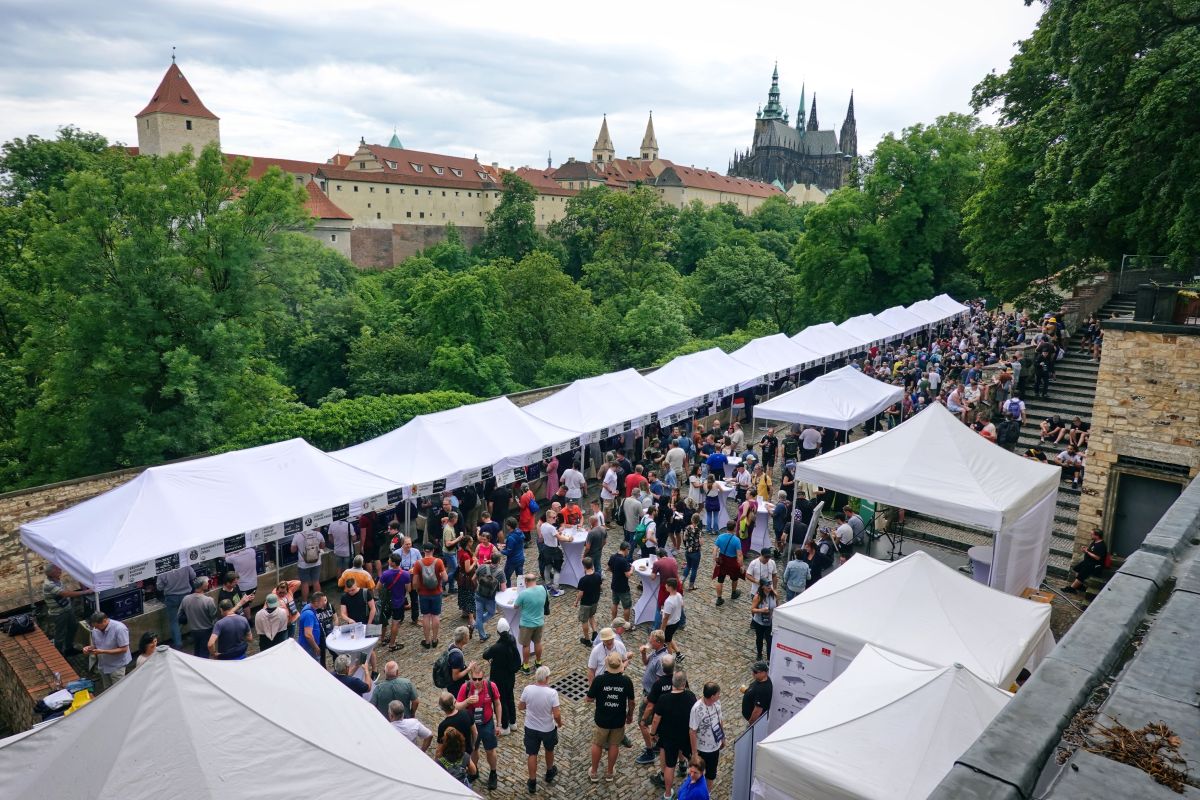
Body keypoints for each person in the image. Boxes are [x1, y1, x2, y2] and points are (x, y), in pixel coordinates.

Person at [587, 651, 635, 783]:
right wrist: (630, 715)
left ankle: (594, 772)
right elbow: (631, 702)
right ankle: (609, 773)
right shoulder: (626, 681)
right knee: (614, 745)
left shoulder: (599, 680)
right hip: (618, 719)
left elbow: (589, 698)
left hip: (602, 719)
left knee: (597, 744)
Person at [650, 669, 698, 799]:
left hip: (669, 737)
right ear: (684, 683)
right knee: (692, 761)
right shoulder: (691, 696)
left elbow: (656, 719)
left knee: (669, 766)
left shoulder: (664, 699)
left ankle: (667, 794)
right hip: (686, 735)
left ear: (673, 682)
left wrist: (652, 733)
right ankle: (691, 789)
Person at [457, 663, 503, 790]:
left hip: (487, 723)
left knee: (490, 750)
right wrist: (467, 701)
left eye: (479, 679)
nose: (476, 682)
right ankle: (474, 771)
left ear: (484, 678)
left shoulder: (490, 686)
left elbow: (498, 704)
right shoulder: (465, 687)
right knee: (473, 750)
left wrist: (498, 725)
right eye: (474, 679)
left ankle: (493, 773)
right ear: (471, 678)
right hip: (471, 725)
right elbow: (456, 706)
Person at [519, 665, 562, 795]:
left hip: (531, 727)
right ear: (547, 678)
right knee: (549, 749)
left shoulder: (528, 689)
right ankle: (549, 772)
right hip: (547, 729)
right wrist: (559, 723)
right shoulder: (552, 693)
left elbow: (521, 707)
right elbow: (556, 715)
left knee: (532, 754)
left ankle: (532, 782)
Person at [483, 617, 522, 735]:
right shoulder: (512, 640)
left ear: (498, 632)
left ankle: (505, 726)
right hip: (510, 677)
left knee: (501, 701)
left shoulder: (496, 647)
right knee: (510, 698)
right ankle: (513, 722)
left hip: (499, 678)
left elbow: (485, 655)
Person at [635, 631, 670, 765]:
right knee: (657, 721)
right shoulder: (656, 652)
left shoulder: (662, 659)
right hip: (649, 692)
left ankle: (649, 752)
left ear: (659, 642)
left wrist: (650, 698)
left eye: (651, 640)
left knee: (642, 723)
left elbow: (660, 682)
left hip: (651, 696)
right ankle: (656, 744)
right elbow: (646, 663)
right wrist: (643, 653)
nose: (649, 641)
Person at [42, 564, 88, 656]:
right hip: (59, 614)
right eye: (58, 570)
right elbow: (65, 593)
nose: (60, 570)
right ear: (52, 573)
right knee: (60, 634)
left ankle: (68, 648)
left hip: (67, 610)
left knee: (73, 627)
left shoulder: (57, 580)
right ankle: (59, 655)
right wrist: (85, 592)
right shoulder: (49, 585)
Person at [689, 682, 725, 788]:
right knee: (697, 774)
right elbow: (692, 731)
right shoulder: (696, 709)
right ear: (712, 696)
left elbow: (720, 720)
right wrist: (694, 754)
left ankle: (707, 795)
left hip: (715, 747)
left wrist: (722, 737)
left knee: (711, 774)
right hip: (702, 749)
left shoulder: (717, 703)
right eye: (718, 694)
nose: (720, 695)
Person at [84, 611, 132, 689]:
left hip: (117, 666)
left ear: (105, 621)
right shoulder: (95, 629)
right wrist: (88, 648)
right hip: (103, 665)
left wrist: (103, 651)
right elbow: (95, 645)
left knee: (118, 689)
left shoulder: (119, 628)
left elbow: (124, 649)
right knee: (107, 689)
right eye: (94, 627)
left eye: (98, 626)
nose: (96, 629)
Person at [155, 563, 196, 651]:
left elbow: (159, 587)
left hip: (171, 598)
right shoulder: (184, 564)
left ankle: (178, 643)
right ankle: (194, 637)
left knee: (174, 621)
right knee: (191, 617)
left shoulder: (163, 570)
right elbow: (193, 575)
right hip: (186, 595)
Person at [514, 573, 548, 673]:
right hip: (539, 621)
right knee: (538, 642)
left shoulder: (524, 594)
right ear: (535, 580)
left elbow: (515, 606)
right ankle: (538, 662)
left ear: (526, 582)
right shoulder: (542, 589)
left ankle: (525, 666)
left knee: (526, 645)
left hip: (527, 624)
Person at [416, 543, 447, 649]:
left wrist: (418, 589)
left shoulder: (418, 563)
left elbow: (415, 582)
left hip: (423, 594)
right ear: (433, 550)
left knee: (425, 616)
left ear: (423, 550)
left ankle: (427, 640)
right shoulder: (438, 562)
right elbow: (446, 578)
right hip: (436, 593)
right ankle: (434, 639)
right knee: (435, 616)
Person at [378, 553, 411, 651]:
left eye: (389, 559)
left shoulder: (385, 574)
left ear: (392, 563)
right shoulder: (406, 574)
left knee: (384, 621)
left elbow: (378, 587)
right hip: (399, 602)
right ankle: (392, 644)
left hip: (387, 602)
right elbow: (408, 589)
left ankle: (383, 639)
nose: (388, 560)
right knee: (395, 623)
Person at [180, 576, 218, 658]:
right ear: (202, 585)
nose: (208, 584)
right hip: (206, 630)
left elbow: (179, 615)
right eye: (207, 583)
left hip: (193, 630)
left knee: (197, 651)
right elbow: (213, 616)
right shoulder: (208, 600)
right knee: (204, 653)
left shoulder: (185, 599)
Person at [290, 526, 328, 602]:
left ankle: (304, 602)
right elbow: (323, 546)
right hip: (317, 562)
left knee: (304, 583)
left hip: (303, 564)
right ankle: (319, 600)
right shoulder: (318, 534)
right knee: (316, 581)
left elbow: (292, 550)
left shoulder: (297, 535)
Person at [1064, 528, 1108, 594]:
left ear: (1097, 536)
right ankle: (1079, 585)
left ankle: (1072, 588)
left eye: (1092, 534)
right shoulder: (1094, 542)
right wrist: (1086, 549)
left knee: (1082, 575)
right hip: (1087, 562)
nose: (1090, 535)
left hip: (1093, 564)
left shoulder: (1101, 545)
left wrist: (1087, 552)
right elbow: (1092, 551)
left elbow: (1097, 557)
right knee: (1076, 569)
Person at [711, 522, 744, 606]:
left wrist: (715, 560)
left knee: (720, 579)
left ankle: (719, 599)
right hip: (732, 561)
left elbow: (714, 550)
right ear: (734, 528)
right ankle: (733, 593)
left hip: (722, 560)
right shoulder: (736, 540)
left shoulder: (720, 537)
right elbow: (739, 555)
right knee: (735, 577)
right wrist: (741, 565)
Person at [539, 510, 570, 596]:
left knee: (547, 567)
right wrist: (569, 539)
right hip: (553, 550)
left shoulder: (543, 525)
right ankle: (555, 589)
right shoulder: (551, 528)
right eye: (553, 517)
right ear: (548, 517)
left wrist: (557, 533)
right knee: (557, 569)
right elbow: (560, 538)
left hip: (546, 549)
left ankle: (548, 585)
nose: (555, 519)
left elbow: (550, 535)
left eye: (556, 517)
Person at [474, 551, 503, 641]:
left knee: (478, 616)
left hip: (478, 595)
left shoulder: (482, 567)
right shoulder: (500, 572)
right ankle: (476, 627)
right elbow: (503, 588)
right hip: (490, 598)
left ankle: (481, 635)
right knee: (491, 613)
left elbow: (473, 579)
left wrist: (477, 587)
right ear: (498, 561)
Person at [575, 557, 603, 646]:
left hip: (586, 603)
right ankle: (595, 633)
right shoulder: (598, 575)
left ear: (584, 566)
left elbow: (581, 593)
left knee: (584, 621)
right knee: (591, 616)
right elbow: (599, 586)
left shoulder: (583, 580)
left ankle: (587, 640)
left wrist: (576, 602)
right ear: (592, 565)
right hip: (595, 601)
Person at [394, 537, 422, 626]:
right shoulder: (396, 553)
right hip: (400, 578)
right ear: (402, 544)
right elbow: (391, 567)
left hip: (412, 577)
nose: (409, 546)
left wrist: (414, 568)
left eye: (410, 544)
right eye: (407, 544)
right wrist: (402, 571)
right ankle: (400, 618)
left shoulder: (416, 552)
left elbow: (421, 563)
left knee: (414, 598)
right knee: (401, 598)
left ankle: (415, 618)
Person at [750, 580, 778, 660]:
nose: (769, 586)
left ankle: (769, 658)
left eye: (770, 584)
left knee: (769, 641)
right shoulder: (758, 597)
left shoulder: (774, 595)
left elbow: (777, 606)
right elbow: (752, 609)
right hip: (759, 622)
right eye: (767, 585)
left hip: (770, 622)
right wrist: (761, 610)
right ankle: (759, 654)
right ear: (762, 587)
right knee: (759, 638)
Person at [608, 541, 634, 624]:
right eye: (628, 550)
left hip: (614, 584)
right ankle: (626, 624)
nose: (628, 552)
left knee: (615, 603)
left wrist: (616, 572)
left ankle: (613, 621)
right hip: (623, 587)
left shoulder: (613, 557)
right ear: (626, 549)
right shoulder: (623, 561)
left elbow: (608, 568)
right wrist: (632, 568)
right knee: (626, 607)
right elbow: (628, 575)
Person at [297, 592, 327, 662]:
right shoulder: (309, 614)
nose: (324, 603)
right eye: (322, 602)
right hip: (309, 647)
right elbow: (308, 635)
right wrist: (316, 647)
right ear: (316, 603)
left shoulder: (309, 607)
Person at [457, 539, 477, 634]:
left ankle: (464, 612)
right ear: (468, 543)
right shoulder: (465, 555)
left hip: (462, 579)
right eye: (471, 541)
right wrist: (474, 562)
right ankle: (471, 619)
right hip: (467, 579)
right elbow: (468, 569)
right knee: (469, 596)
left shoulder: (461, 551)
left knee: (463, 595)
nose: (472, 543)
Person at [660, 577, 685, 655]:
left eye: (667, 585)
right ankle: (678, 653)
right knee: (669, 638)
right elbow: (682, 605)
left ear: (670, 587)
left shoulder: (669, 601)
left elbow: (666, 618)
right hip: (676, 621)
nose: (665, 586)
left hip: (669, 624)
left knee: (667, 643)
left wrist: (662, 629)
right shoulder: (679, 595)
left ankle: (670, 658)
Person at [681, 513, 703, 591]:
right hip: (696, 552)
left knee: (688, 566)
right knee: (694, 569)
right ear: (698, 521)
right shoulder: (699, 530)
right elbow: (701, 542)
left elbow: (684, 538)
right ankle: (691, 586)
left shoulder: (687, 528)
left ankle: (681, 582)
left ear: (691, 519)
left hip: (688, 551)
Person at [502, 517, 526, 585]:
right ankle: (521, 590)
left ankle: (508, 590)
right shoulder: (519, 532)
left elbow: (508, 552)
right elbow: (517, 545)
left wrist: (501, 550)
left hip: (512, 561)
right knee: (520, 576)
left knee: (506, 576)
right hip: (521, 558)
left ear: (509, 526)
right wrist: (506, 545)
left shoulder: (511, 538)